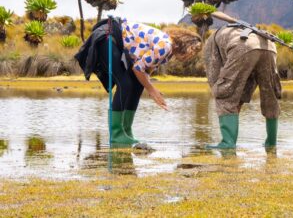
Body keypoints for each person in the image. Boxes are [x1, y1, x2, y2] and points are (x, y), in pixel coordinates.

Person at [75, 16, 202, 147]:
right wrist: (152, 91)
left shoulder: (168, 52)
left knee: (137, 85)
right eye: (192, 51)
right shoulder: (165, 46)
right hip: (107, 37)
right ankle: (116, 134)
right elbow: (137, 68)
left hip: (115, 41)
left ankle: (126, 130)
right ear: (186, 44)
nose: (190, 56)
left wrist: (150, 89)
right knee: (124, 84)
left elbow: (145, 71)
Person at [204, 12, 282, 149]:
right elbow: (247, 76)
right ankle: (271, 142)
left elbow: (215, 75)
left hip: (243, 46)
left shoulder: (210, 44)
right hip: (268, 44)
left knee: (224, 94)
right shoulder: (236, 31)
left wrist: (226, 97)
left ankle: (227, 143)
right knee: (271, 94)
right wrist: (239, 99)